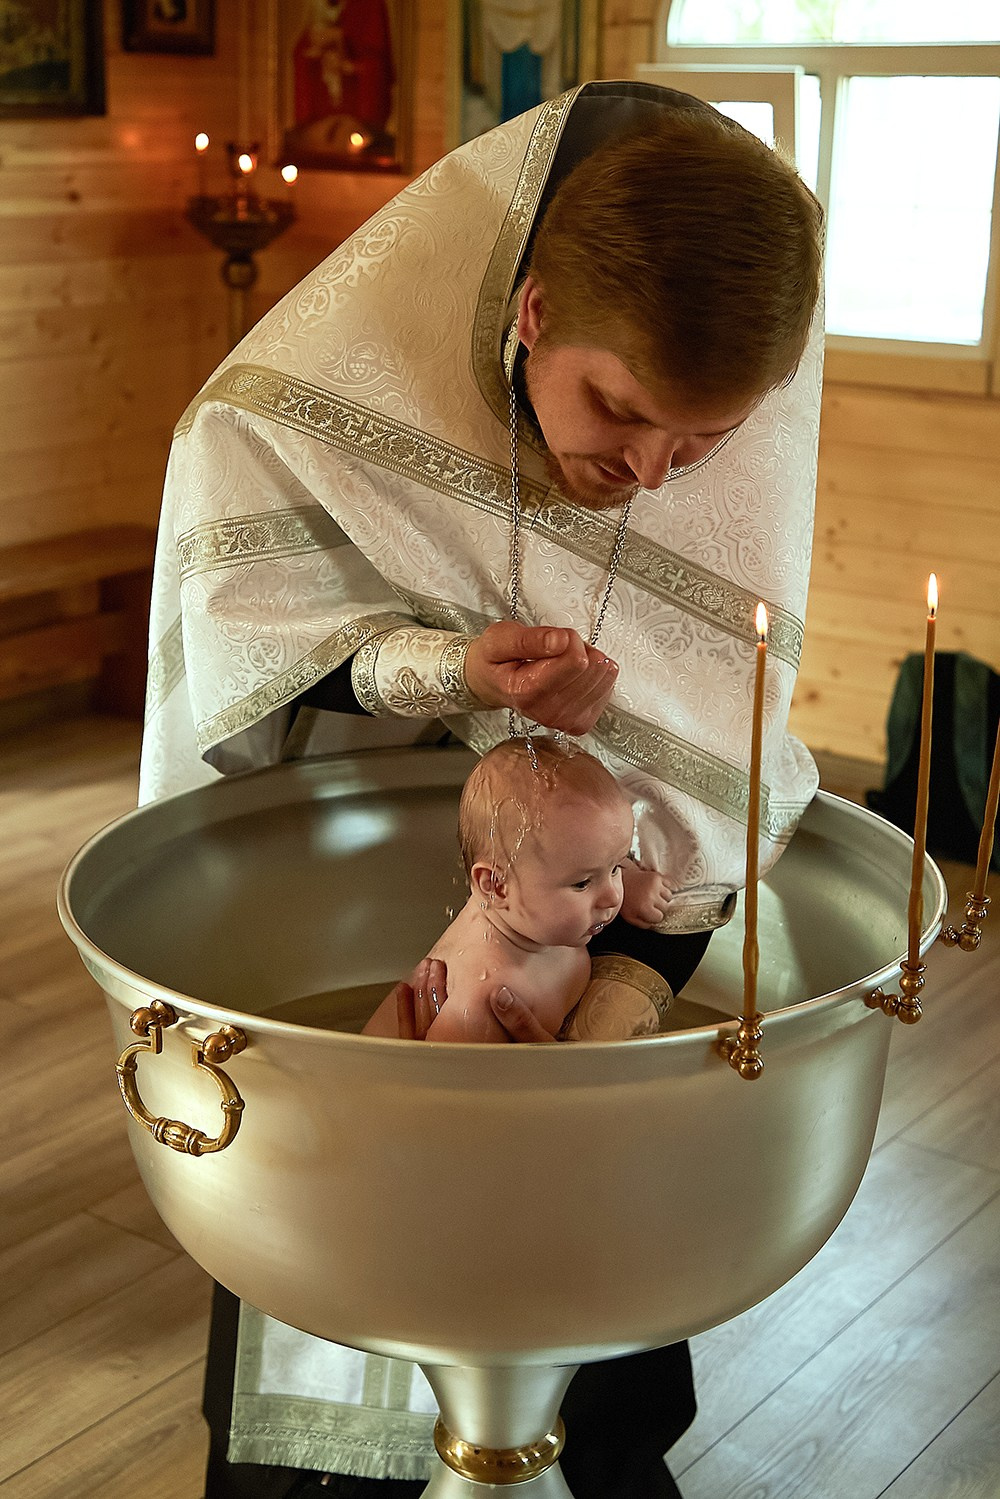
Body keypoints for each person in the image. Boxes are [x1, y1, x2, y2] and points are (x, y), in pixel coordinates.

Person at [142, 79, 824, 1499]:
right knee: (335, 1371)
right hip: (354, 924)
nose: (645, 474)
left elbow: (711, 770)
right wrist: (446, 668)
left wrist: (617, 1016)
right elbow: (240, 643)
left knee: (599, 1392)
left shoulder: (709, 434)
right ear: (531, 313)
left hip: (604, 960)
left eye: (699, 443)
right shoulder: (321, 393)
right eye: (620, 412)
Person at [363, 735, 654, 1041]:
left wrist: (622, 878)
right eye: (582, 882)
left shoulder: (529, 911)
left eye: (616, 867)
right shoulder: (484, 1003)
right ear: (496, 887)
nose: (611, 898)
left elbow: (583, 855)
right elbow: (447, 1089)